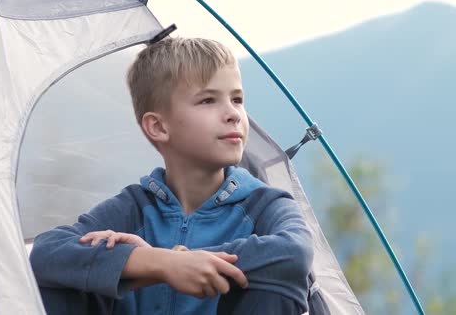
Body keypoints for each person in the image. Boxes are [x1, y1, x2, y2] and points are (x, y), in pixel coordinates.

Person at [29, 37, 314, 315]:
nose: (233, 114)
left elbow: (295, 251)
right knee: (58, 280)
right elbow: (45, 253)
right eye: (208, 100)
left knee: (276, 283)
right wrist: (158, 262)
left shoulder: (264, 205)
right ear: (158, 127)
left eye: (237, 99)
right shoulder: (135, 209)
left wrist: (183, 260)